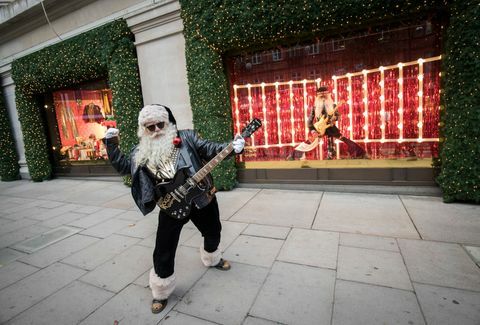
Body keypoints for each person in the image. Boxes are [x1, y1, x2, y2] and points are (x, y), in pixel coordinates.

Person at [103, 104, 245, 314]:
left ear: (168, 123)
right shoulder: (140, 151)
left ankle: (212, 256)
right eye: (151, 127)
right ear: (144, 129)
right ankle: (161, 289)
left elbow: (210, 149)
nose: (157, 130)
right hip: (170, 205)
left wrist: (233, 146)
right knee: (163, 249)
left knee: (213, 231)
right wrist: (111, 145)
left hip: (200, 198)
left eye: (161, 124)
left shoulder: (187, 137)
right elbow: (124, 167)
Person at [291, 86, 367, 160]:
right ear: (318, 97)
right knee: (310, 141)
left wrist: (334, 118)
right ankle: (294, 155)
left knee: (343, 139)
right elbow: (309, 121)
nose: (323, 97)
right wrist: (313, 131)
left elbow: (337, 116)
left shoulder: (333, 106)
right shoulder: (315, 108)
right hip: (320, 128)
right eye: (321, 96)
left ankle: (360, 153)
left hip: (330, 127)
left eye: (325, 95)